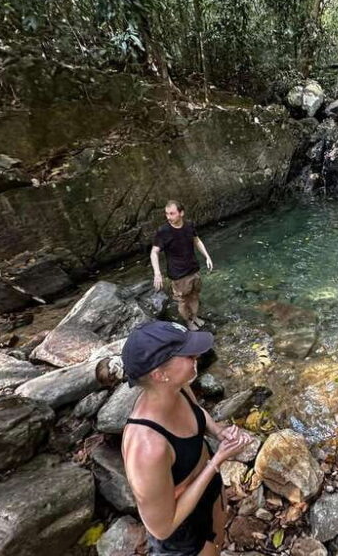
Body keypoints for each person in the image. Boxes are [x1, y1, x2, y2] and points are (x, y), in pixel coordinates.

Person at [121, 320, 252, 556]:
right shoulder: (147, 447)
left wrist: (217, 431)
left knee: (219, 543)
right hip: (182, 530)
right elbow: (162, 528)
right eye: (188, 356)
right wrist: (217, 461)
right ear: (159, 374)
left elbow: (196, 411)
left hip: (208, 492)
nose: (197, 357)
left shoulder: (178, 386)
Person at [152, 200, 214, 330]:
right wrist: (157, 273)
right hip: (178, 274)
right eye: (167, 214)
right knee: (183, 300)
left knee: (195, 295)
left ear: (181, 213)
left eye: (172, 214)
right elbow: (154, 252)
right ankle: (188, 321)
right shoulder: (163, 231)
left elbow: (196, 240)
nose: (168, 217)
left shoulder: (189, 225)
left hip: (193, 268)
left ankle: (195, 316)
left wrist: (207, 256)